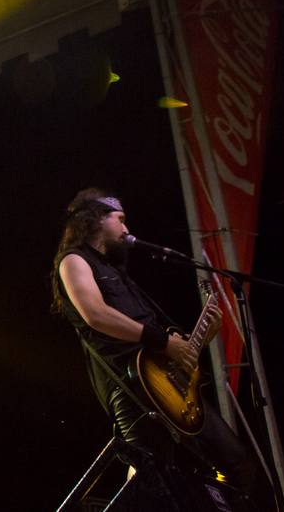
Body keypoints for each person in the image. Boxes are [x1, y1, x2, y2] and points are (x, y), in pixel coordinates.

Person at [52, 189, 263, 503]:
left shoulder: (121, 276)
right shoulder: (74, 260)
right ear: (95, 218)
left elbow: (163, 344)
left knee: (237, 464)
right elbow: (95, 314)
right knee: (150, 480)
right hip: (130, 386)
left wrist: (199, 338)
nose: (126, 229)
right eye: (120, 219)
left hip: (169, 384)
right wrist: (163, 341)